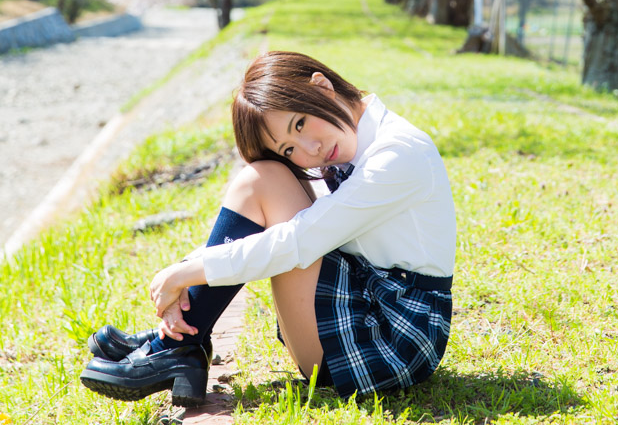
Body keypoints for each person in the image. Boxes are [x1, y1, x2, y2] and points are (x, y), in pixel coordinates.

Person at [80, 51, 456, 405]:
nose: (309, 150)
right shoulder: (350, 144)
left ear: (321, 87)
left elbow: (297, 241)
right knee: (264, 177)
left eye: (300, 123)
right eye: (290, 149)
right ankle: (183, 339)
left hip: (393, 339)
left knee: (265, 185)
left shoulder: (397, 155)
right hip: (361, 303)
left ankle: (181, 345)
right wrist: (188, 270)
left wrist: (189, 271)